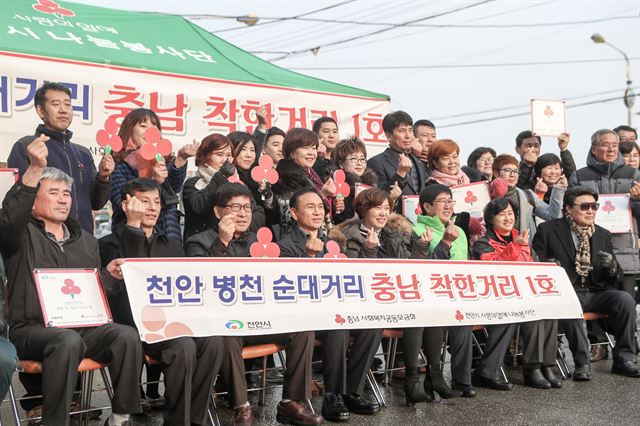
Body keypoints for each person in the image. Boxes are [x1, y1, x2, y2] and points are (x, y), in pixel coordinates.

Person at [0, 139, 141, 425]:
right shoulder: (20, 235)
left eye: (67, 193)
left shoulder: (87, 241)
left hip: (80, 326)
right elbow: (11, 216)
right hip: (32, 329)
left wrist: (109, 277)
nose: (64, 199)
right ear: (33, 200)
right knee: (67, 340)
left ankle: (121, 417)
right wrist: (35, 169)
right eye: (53, 193)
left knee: (126, 335)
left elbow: (93, 289)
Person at [188, 183, 320, 426]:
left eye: (247, 208)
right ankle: (242, 406)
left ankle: (291, 402)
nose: (242, 214)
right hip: (226, 322)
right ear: (218, 212)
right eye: (235, 207)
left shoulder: (263, 242)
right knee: (226, 332)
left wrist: (309, 257)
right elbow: (202, 282)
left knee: (303, 328)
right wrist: (223, 243)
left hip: (263, 318)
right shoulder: (198, 241)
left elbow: (284, 282)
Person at [99, 178, 223, 425]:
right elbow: (127, 286)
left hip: (171, 321)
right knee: (183, 346)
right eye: (144, 202)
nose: (153, 208)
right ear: (127, 205)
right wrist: (133, 227)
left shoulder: (172, 244)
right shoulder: (107, 244)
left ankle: (193, 418)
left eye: (157, 202)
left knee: (214, 339)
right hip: (133, 327)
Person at [532, 186, 640, 379]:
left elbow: (616, 276)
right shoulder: (548, 229)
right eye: (585, 206)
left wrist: (613, 266)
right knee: (572, 305)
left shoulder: (602, 234)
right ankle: (582, 364)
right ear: (568, 208)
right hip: (566, 292)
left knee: (625, 300)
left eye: (594, 206)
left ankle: (625, 360)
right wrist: (546, 265)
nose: (591, 210)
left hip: (596, 290)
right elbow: (536, 262)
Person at [472, 198, 560, 389]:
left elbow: (534, 266)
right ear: (490, 219)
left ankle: (547, 365)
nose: (507, 218)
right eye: (502, 214)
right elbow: (494, 269)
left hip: (523, 295)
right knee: (530, 313)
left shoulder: (521, 237)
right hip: (496, 298)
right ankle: (532, 368)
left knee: (549, 311)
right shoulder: (483, 243)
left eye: (510, 213)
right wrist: (516, 246)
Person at [8, 82, 114, 233]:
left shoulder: (83, 153)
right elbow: (16, 203)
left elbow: (96, 203)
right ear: (41, 111)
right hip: (43, 242)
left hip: (83, 242)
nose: (63, 110)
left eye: (68, 104)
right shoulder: (27, 147)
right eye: (56, 104)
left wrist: (103, 178)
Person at [411, 184, 474, 398]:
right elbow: (426, 269)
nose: (448, 206)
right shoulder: (418, 230)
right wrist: (446, 242)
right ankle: (437, 378)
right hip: (432, 296)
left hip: (458, 293)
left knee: (466, 319)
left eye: (450, 200)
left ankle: (461, 380)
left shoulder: (460, 231)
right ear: (427, 207)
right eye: (442, 201)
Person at [569, 129, 640, 297]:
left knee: (626, 306)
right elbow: (571, 210)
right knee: (598, 309)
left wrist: (637, 199)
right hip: (591, 249)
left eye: (614, 145)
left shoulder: (633, 174)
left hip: (625, 251)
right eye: (605, 145)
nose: (611, 150)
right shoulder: (580, 176)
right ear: (594, 149)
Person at [110, 108, 196, 242]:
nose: (149, 131)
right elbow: (120, 200)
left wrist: (181, 159)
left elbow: (173, 188)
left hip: (169, 233)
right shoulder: (118, 164)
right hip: (133, 237)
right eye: (143, 126)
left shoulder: (163, 159)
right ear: (129, 130)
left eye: (154, 127)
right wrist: (152, 181)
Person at [182, 134, 265, 241]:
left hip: (238, 247)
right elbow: (199, 206)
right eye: (219, 155)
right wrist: (222, 176)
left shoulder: (238, 184)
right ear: (205, 157)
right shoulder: (193, 184)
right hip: (204, 247)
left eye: (228, 155)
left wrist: (239, 224)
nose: (225, 160)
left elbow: (259, 214)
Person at [272, 128, 339, 239]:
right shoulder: (286, 176)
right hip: (298, 240)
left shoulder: (311, 174)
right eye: (305, 148)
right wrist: (321, 195)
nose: (311, 153)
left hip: (318, 236)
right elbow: (289, 214)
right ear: (292, 153)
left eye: (313, 148)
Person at [492, 154, 565, 242]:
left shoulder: (527, 195)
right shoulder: (485, 194)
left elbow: (552, 217)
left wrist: (558, 190)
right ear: (496, 173)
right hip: (497, 251)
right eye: (507, 170)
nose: (512, 175)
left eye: (515, 171)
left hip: (526, 251)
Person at [368, 111, 430, 212]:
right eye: (402, 131)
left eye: (410, 130)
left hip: (421, 223)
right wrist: (400, 174)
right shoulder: (376, 163)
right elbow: (379, 199)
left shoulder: (418, 162)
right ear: (389, 136)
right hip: (396, 222)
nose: (408, 136)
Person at [331, 136, 401, 224]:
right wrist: (337, 209)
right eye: (354, 159)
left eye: (362, 159)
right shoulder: (335, 184)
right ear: (341, 164)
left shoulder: (372, 184)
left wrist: (392, 200)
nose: (359, 163)